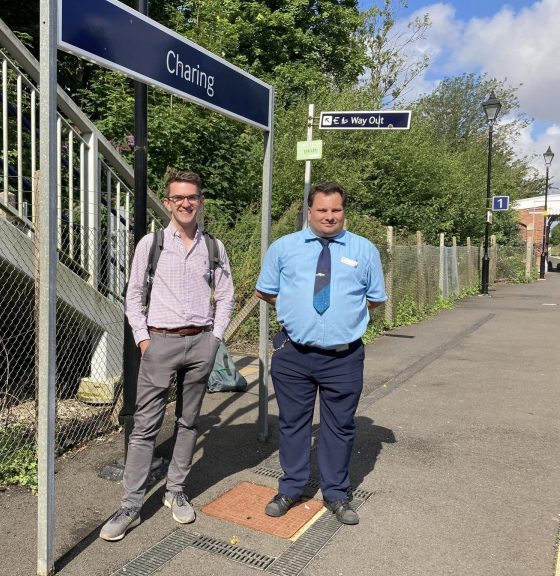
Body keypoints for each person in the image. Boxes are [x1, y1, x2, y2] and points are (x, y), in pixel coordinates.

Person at [100, 170, 235, 541]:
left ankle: (175, 490)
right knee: (145, 427)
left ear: (200, 200)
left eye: (192, 197)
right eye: (179, 198)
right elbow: (132, 297)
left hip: (200, 344)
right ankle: (130, 505)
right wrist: (144, 341)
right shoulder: (152, 243)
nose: (186, 203)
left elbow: (225, 294)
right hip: (159, 343)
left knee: (189, 422)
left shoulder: (213, 247)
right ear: (168, 203)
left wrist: (215, 339)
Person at [255, 182, 386, 525]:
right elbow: (267, 291)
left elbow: (374, 298)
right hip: (293, 354)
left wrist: (342, 320)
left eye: (336, 210)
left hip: (344, 358)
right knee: (293, 423)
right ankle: (291, 488)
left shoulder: (364, 249)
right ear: (309, 212)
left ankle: (337, 494)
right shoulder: (284, 248)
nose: (329, 216)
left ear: (344, 211)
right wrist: (297, 310)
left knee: (339, 427)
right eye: (322, 210)